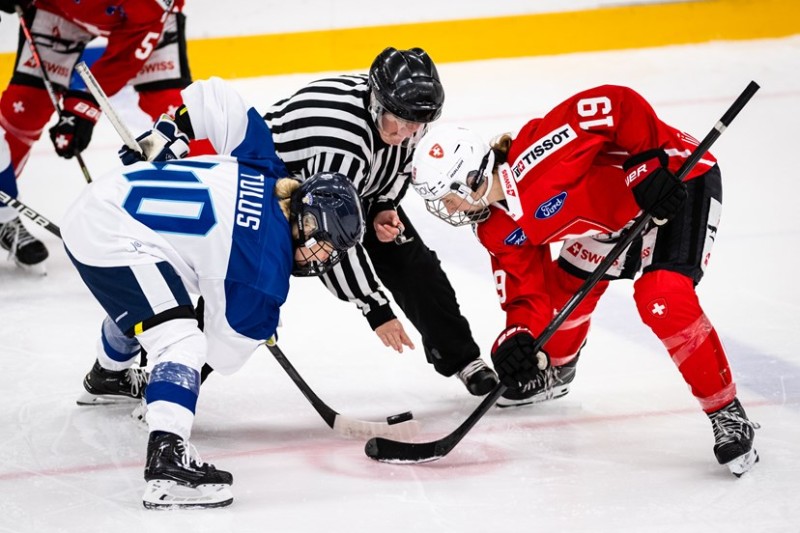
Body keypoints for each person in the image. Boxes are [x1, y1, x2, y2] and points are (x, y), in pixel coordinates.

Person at [409, 85, 759, 477]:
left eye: (446, 197)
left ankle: (726, 412)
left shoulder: (538, 154)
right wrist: (518, 339)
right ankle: (555, 372)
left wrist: (644, 165)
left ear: (469, 179)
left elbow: (616, 103)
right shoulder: (495, 226)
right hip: (612, 220)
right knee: (561, 296)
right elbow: (526, 291)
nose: (446, 209)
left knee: (660, 297)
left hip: (676, 180)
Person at [61, 77, 365, 508]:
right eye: (322, 240)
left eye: (330, 250)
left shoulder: (267, 167)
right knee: (181, 338)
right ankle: (168, 464)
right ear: (306, 217)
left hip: (111, 203)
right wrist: (260, 320)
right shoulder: (267, 270)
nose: (319, 256)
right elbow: (220, 352)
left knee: (165, 297)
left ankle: (109, 374)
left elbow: (216, 98)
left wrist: (171, 132)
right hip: (112, 233)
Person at [261, 47, 498, 396]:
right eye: (398, 122)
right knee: (246, 280)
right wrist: (375, 308)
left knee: (413, 261)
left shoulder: (407, 117)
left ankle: (462, 359)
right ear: (376, 104)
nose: (405, 132)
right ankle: (174, 369)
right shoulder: (342, 142)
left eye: (415, 124)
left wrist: (384, 205)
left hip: (342, 189)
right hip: (273, 193)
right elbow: (331, 234)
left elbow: (398, 165)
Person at [0, 0, 206, 271]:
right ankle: (4, 211)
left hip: (143, 25)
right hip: (57, 11)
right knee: (24, 108)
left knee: (174, 112)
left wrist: (83, 107)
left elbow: (129, 53)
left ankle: (215, 209)